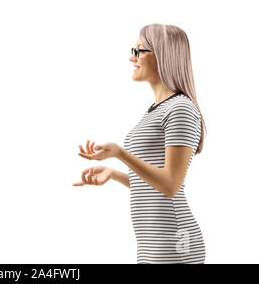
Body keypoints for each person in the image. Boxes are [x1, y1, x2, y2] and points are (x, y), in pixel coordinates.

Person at [75, 24, 206, 264]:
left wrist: (120, 154)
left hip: (174, 242)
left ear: (163, 55)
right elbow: (154, 186)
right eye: (132, 50)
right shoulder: (155, 111)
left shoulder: (180, 108)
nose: (131, 57)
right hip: (151, 243)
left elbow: (169, 186)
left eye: (139, 51)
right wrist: (114, 174)